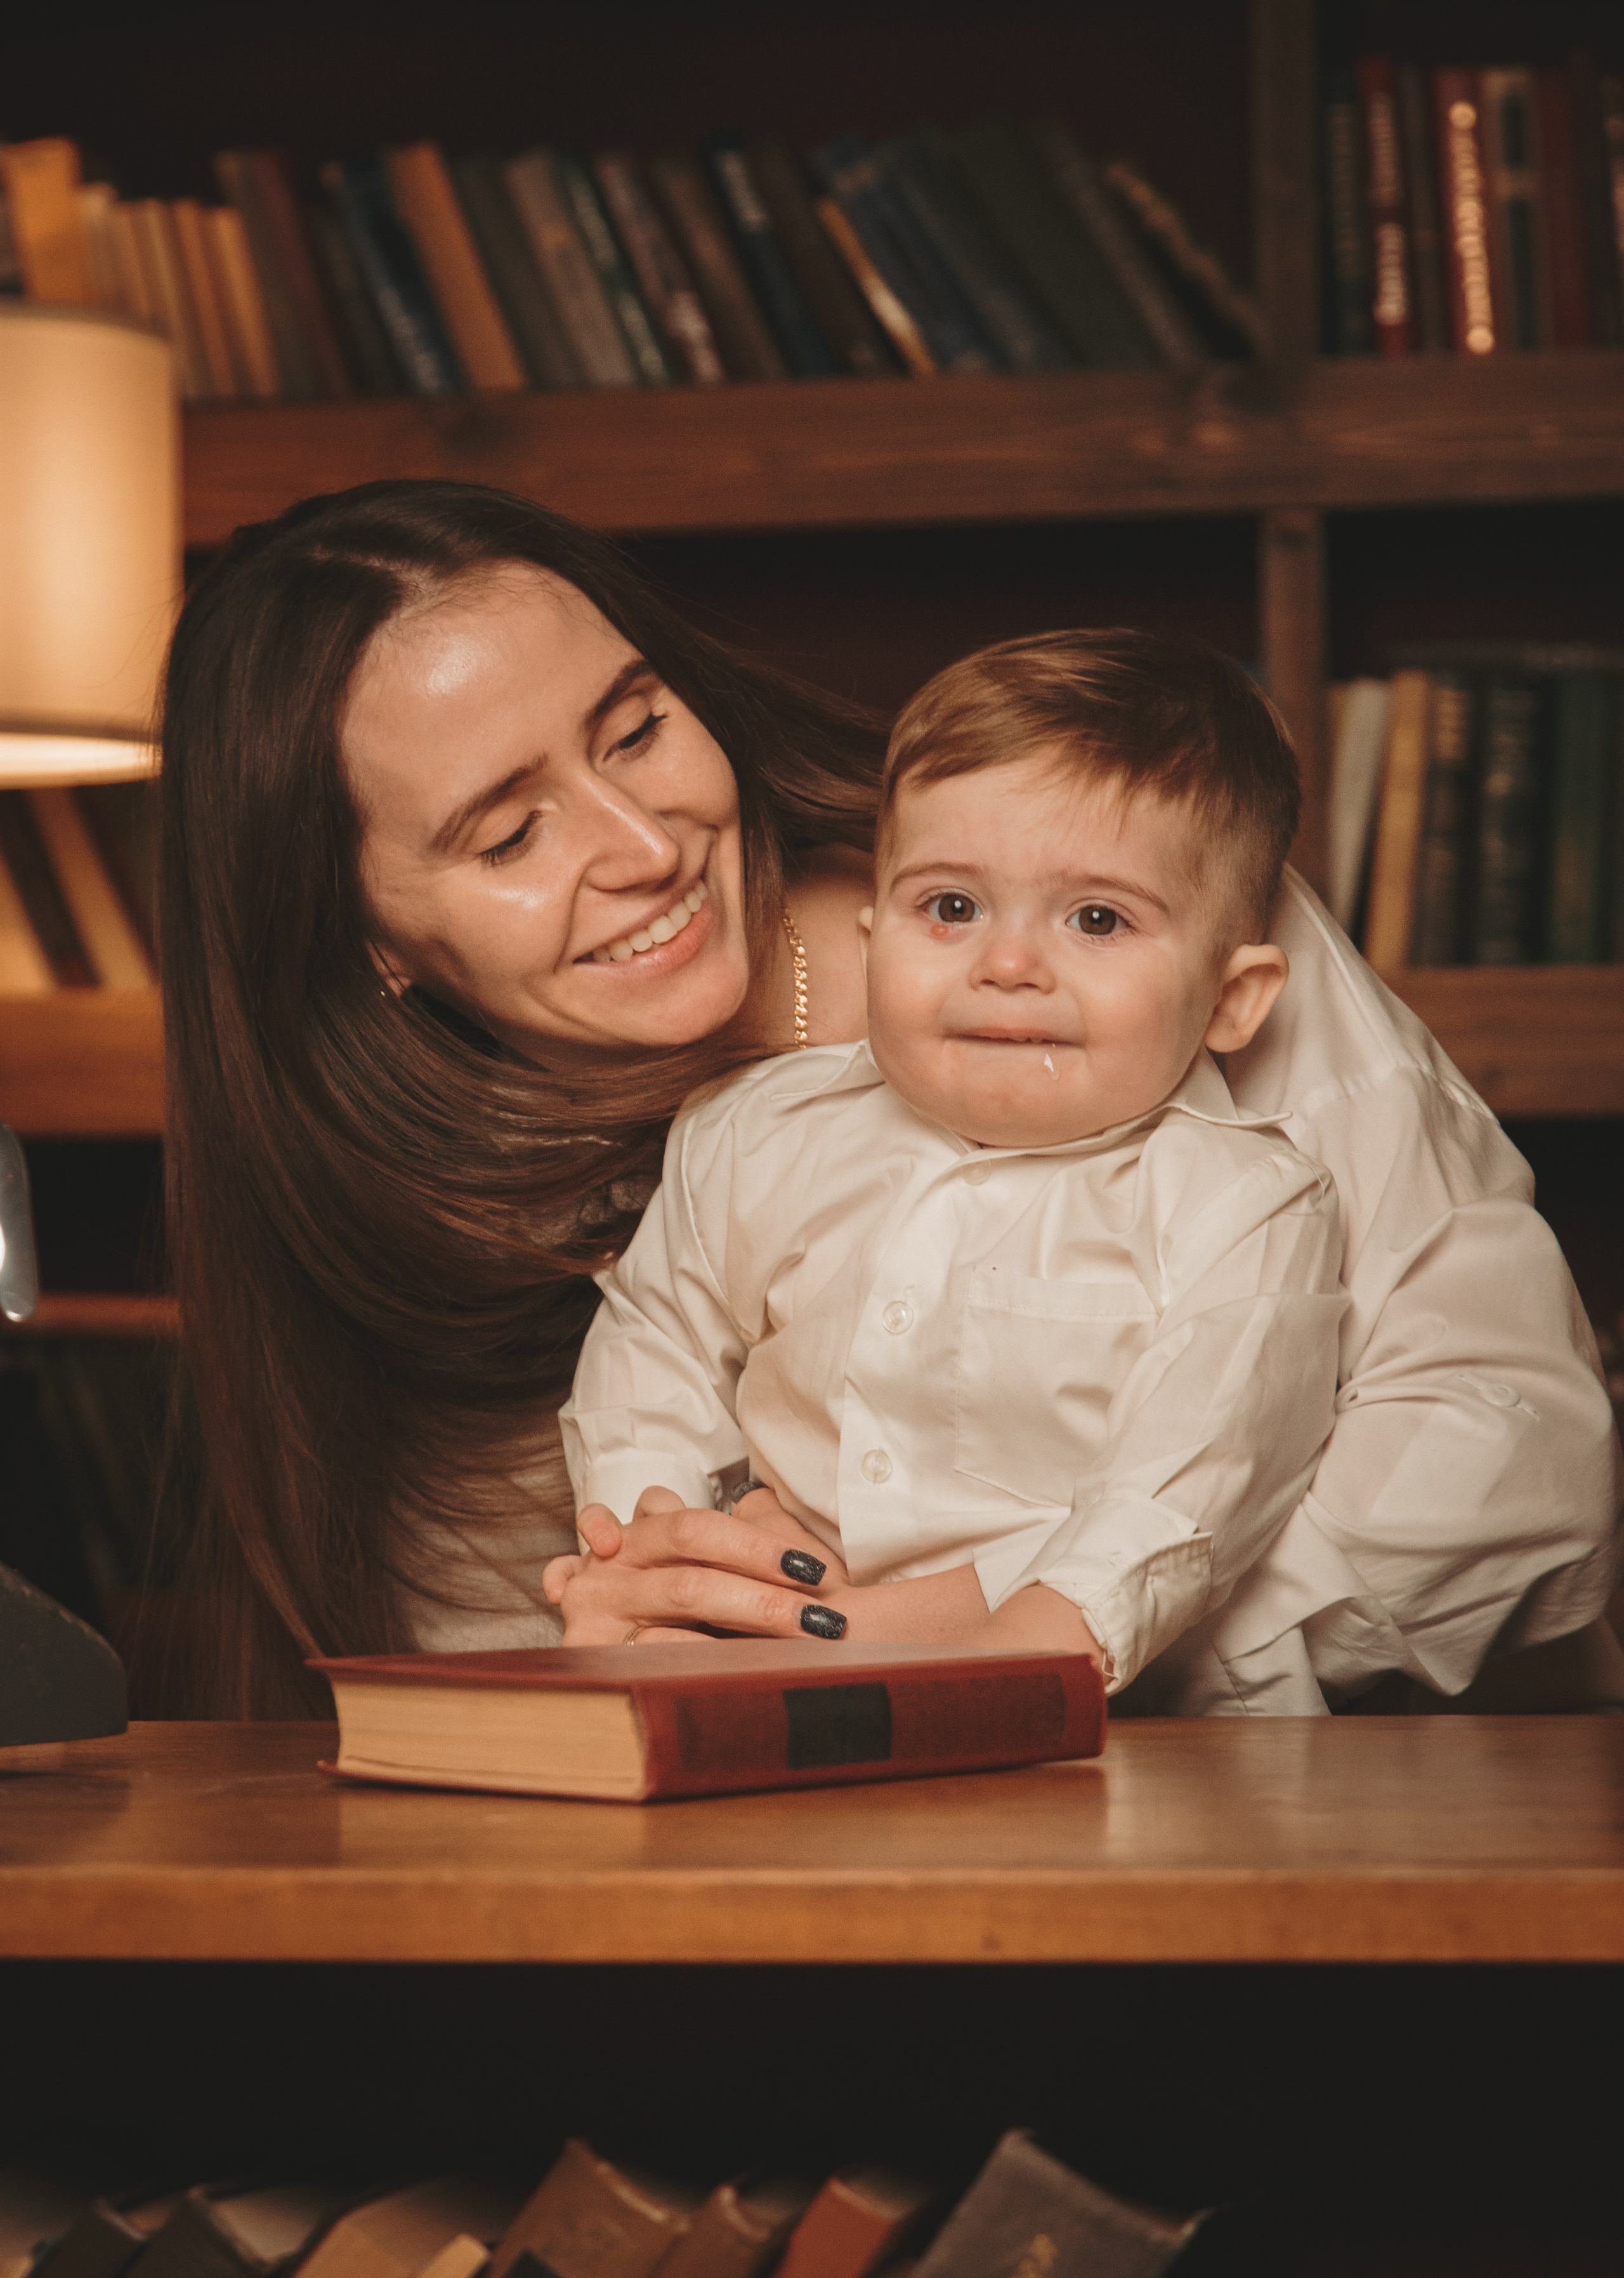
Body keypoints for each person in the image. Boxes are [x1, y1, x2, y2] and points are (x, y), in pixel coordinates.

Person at [150, 478, 1617, 1719]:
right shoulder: (406, 1259)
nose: (643, 845)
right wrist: (638, 1608)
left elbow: (1515, 1465)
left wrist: (1000, 1634)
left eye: (635, 729)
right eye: (507, 834)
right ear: (360, 939)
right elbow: (545, 1675)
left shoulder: (1124, 885)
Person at [558, 634, 1354, 1709]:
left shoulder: (1247, 1208)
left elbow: (1191, 1482)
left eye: (1098, 919)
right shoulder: (750, 1134)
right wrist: (655, 1550)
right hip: (773, 1685)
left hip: (1119, 1721)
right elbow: (656, 1357)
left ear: (1231, 999)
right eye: (951, 909)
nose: (1008, 964)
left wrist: (1012, 1638)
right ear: (872, 935)